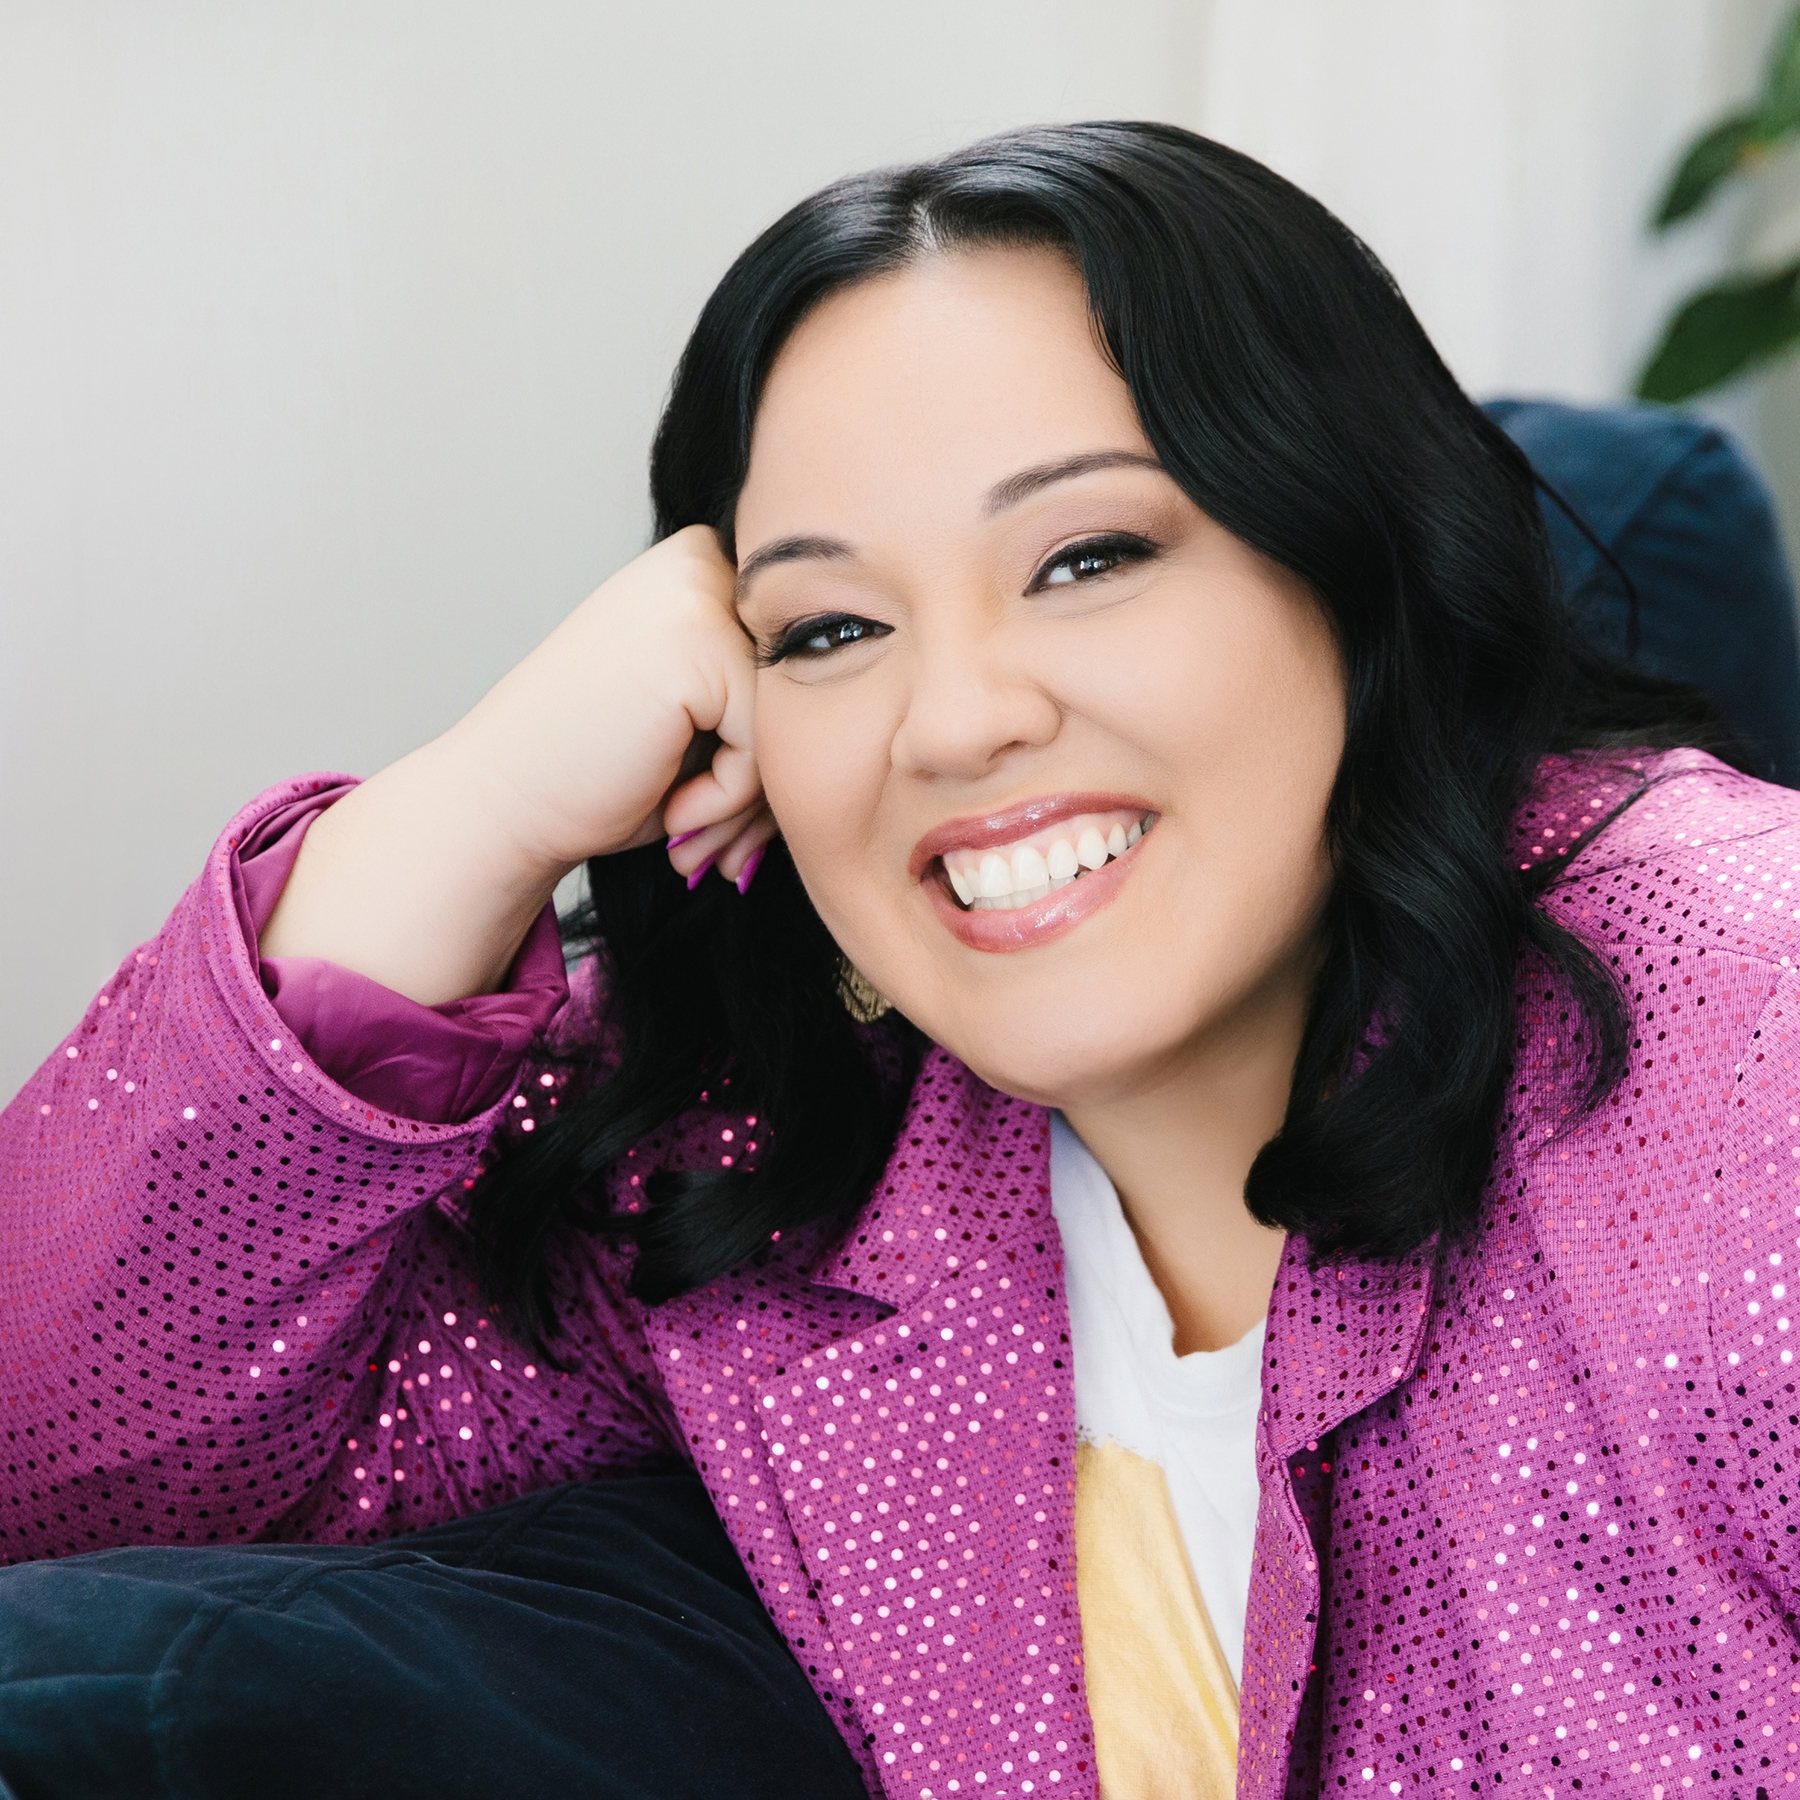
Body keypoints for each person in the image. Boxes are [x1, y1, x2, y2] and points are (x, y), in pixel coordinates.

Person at [2, 121, 1796, 1800]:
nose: (954, 721)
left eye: (1088, 554)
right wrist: (470, 809)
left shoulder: (1746, 1056)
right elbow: (65, 1470)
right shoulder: (765, 1173)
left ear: (1361, 568)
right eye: (831, 625)